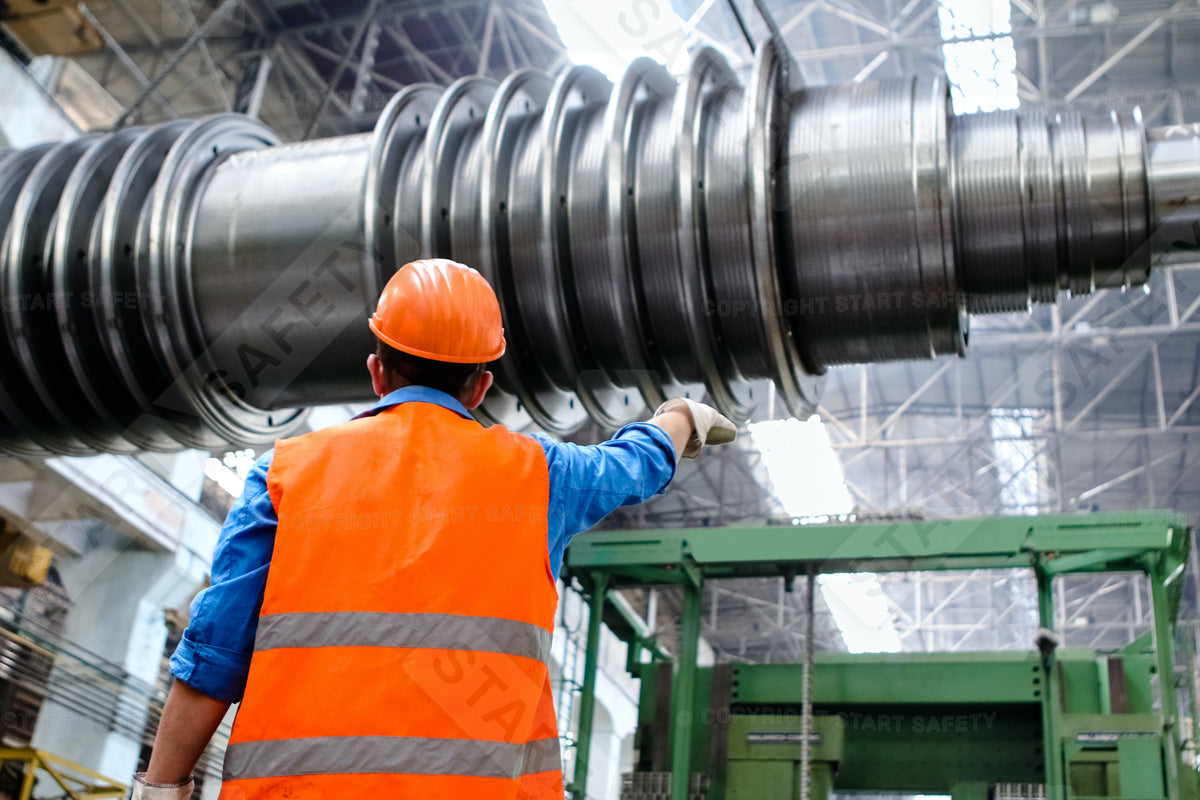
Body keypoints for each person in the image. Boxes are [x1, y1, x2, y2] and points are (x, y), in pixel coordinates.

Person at [131, 258, 736, 799]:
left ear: (376, 371)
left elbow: (212, 657)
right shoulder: (540, 476)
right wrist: (681, 416)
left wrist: (161, 791)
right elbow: (635, 464)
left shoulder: (285, 473)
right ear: (481, 386)